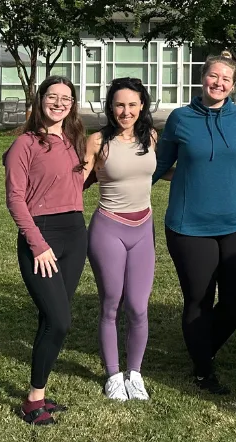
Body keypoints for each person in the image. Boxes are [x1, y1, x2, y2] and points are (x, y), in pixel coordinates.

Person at [153, 51, 236, 395]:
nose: (219, 83)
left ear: (233, 86)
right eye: (214, 76)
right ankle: (202, 369)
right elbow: (158, 165)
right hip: (189, 226)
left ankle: (202, 346)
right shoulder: (180, 119)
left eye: (226, 79)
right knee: (198, 298)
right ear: (203, 78)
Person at [4, 76, 87, 425]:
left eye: (66, 98)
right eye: (52, 96)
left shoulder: (72, 141)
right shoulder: (24, 143)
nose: (59, 103)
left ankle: (38, 395)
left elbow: (75, 182)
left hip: (75, 234)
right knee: (60, 320)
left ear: (73, 104)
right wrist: (37, 244)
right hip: (43, 237)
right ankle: (33, 401)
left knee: (50, 319)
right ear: (40, 101)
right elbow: (15, 198)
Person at [84, 77, 159, 402]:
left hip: (143, 229)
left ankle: (135, 374)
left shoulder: (151, 137)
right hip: (108, 229)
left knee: (139, 308)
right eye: (119, 105)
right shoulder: (97, 141)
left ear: (142, 105)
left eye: (131, 104)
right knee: (111, 304)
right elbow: (76, 181)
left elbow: (158, 170)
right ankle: (114, 374)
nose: (125, 111)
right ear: (110, 107)